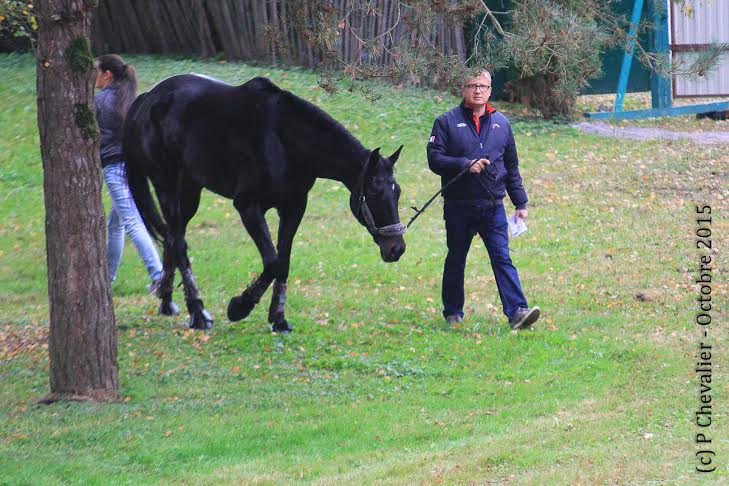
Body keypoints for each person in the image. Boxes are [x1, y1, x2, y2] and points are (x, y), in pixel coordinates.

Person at [427, 70, 539, 330]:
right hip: (458, 206)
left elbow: (511, 166)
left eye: (483, 86)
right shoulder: (445, 122)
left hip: (493, 206)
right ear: (463, 89)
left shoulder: (502, 123)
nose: (478, 90)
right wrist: (465, 164)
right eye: (472, 85)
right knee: (456, 259)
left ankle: (517, 312)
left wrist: (520, 203)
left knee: (502, 258)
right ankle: (452, 312)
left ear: (490, 90)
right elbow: (434, 159)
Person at [95, 54, 177, 313]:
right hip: (135, 167)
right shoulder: (130, 99)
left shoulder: (99, 101)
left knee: (131, 221)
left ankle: (158, 276)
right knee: (116, 224)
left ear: (107, 74)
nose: (94, 77)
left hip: (115, 167)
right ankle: (107, 280)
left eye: (97, 71)